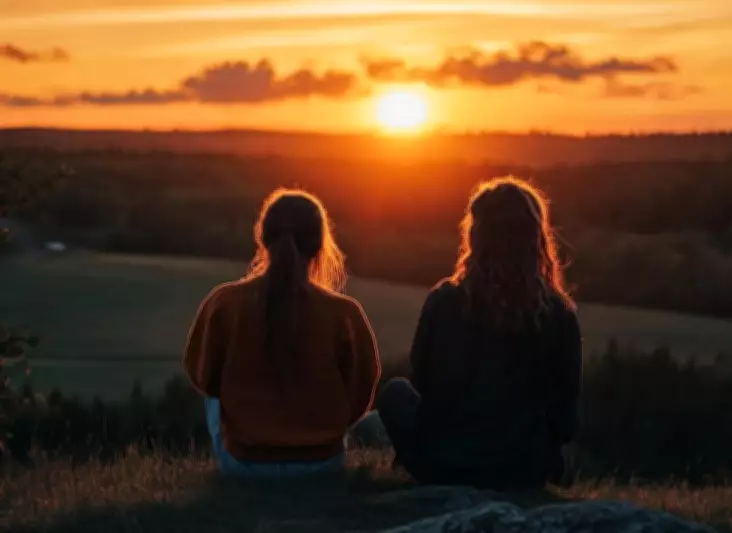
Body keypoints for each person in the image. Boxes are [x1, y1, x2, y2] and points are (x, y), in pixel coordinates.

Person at [377, 176, 582, 489]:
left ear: (474, 235)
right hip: (520, 470)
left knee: (394, 393)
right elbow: (564, 424)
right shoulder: (558, 315)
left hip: (441, 464)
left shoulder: (443, 300)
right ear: (535, 239)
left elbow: (423, 387)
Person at [184, 189, 381, 478]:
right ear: (318, 246)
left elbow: (203, 378)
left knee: (214, 386)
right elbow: (362, 391)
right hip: (321, 464)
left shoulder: (224, 303)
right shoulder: (345, 314)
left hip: (245, 464)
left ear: (263, 239)